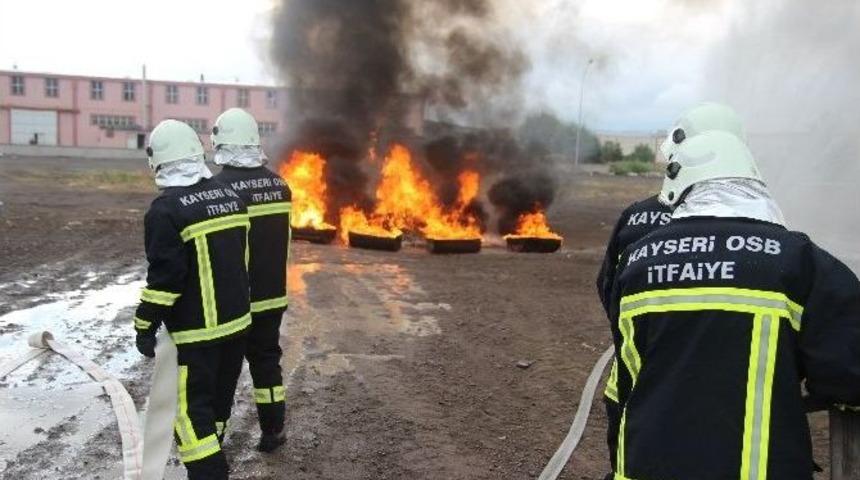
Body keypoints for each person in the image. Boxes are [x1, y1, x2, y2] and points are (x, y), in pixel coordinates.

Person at [606, 130, 860, 480]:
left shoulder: (636, 261)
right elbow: (848, 370)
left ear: (680, 186)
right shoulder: (798, 259)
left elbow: (623, 382)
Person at [596, 102, 747, 474]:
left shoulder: (636, 218)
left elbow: (610, 292)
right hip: (732, 393)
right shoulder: (762, 231)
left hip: (637, 384)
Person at [134, 119, 251, 479]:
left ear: (157, 161)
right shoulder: (231, 198)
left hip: (198, 336)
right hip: (237, 325)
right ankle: (211, 462)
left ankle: (210, 473)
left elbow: (165, 281)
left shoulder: (165, 211)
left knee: (188, 416)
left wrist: (144, 324)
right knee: (216, 407)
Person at [211, 108, 292, 452]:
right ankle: (273, 432)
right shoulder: (280, 185)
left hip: (235, 301)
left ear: (220, 142)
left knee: (223, 373)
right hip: (272, 296)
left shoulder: (218, 189)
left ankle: (214, 439)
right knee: (267, 364)